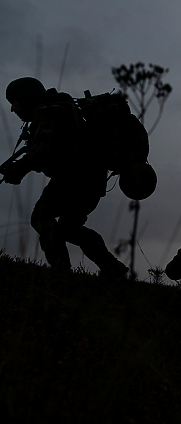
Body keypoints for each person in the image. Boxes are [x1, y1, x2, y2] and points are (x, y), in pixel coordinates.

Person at [0, 77, 127, 277]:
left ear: (26, 97)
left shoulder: (48, 112)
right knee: (69, 228)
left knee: (42, 217)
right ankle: (113, 268)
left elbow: (41, 148)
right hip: (91, 178)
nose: (13, 109)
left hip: (75, 177)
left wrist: (19, 169)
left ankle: (60, 271)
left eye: (14, 102)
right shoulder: (60, 109)